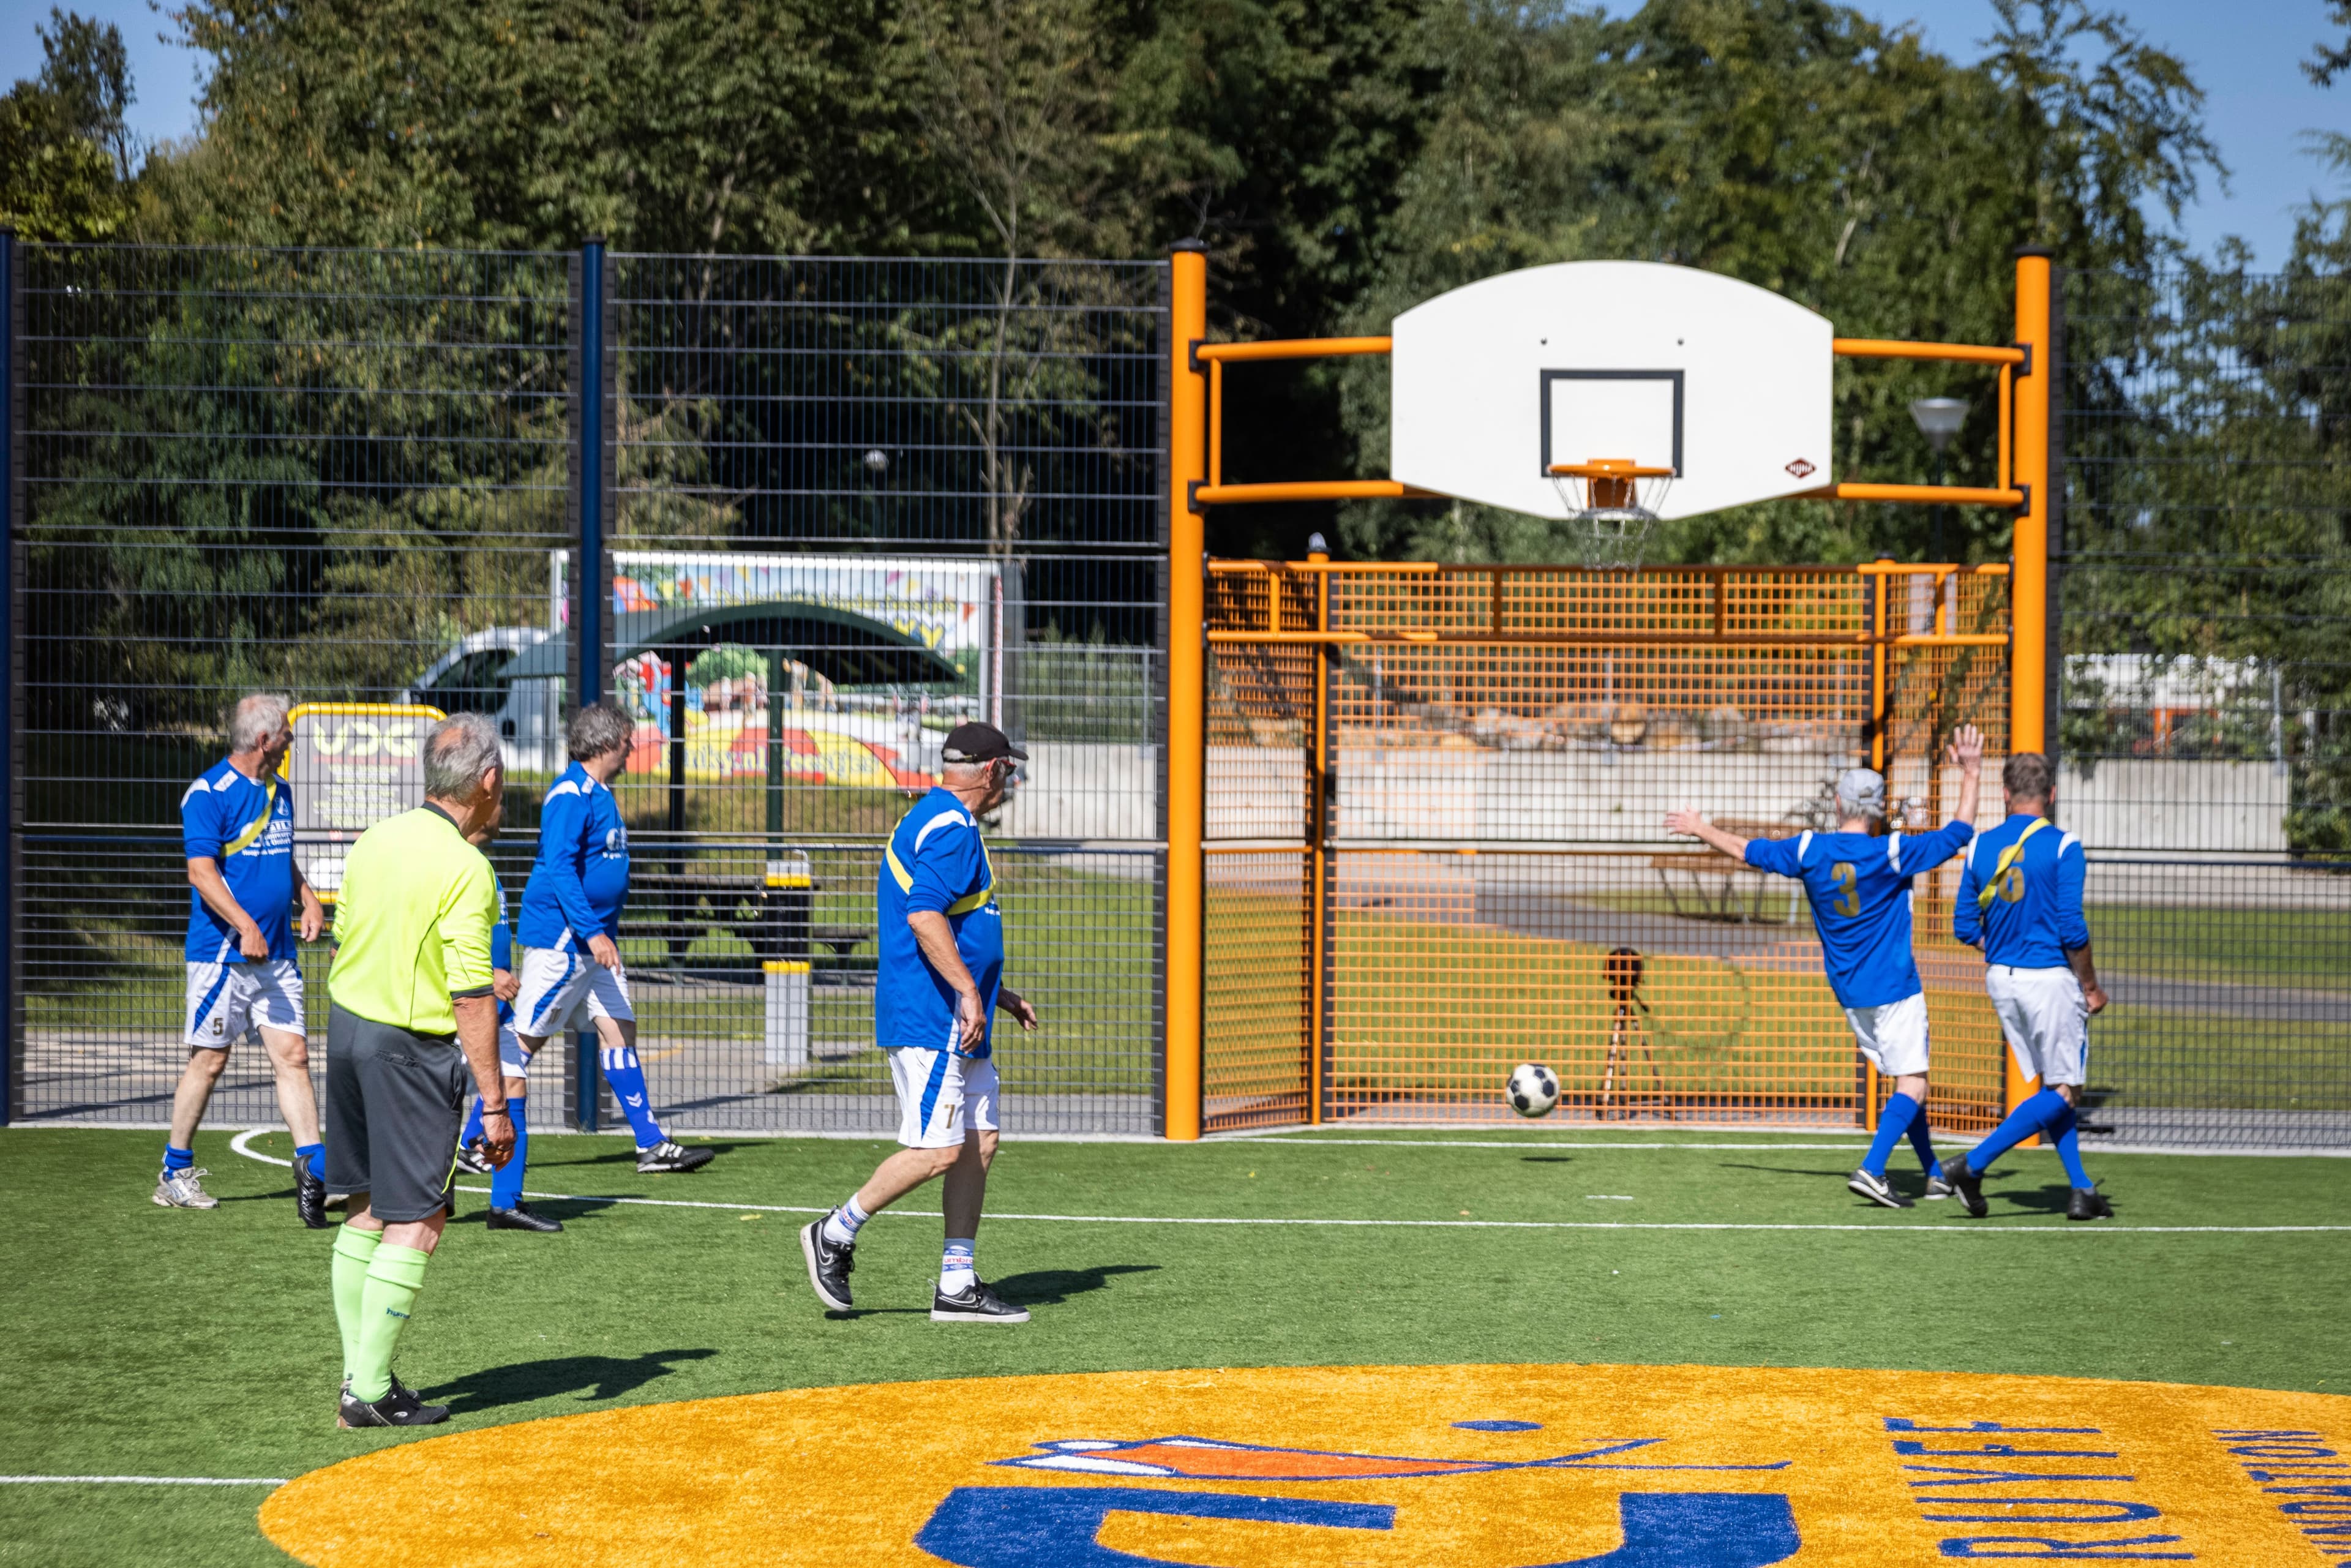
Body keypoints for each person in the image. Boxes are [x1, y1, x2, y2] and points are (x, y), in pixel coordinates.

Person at [1666, 725, 1983, 1209]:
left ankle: (1935, 1174)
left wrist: (1699, 826)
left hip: (1850, 991)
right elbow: (1961, 830)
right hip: (1896, 987)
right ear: (1878, 811)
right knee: (1914, 1081)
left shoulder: (1810, 849)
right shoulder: (1894, 851)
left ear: (1837, 804)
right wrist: (1973, 772)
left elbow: (1746, 850)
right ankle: (1873, 1169)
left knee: (1905, 1078)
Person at [800, 722, 1041, 1323]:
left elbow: (955, 923)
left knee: (978, 1141)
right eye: (1009, 769)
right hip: (932, 1018)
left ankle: (956, 1283)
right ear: (991, 770)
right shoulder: (952, 828)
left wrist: (994, 992)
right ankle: (834, 1230)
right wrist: (966, 990)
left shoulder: (938, 817)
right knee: (937, 1149)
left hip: (957, 1014)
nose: (1011, 779)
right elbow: (924, 916)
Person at [322, 712, 514, 1428]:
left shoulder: (377, 838)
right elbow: (470, 992)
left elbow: (347, 935)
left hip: (346, 1029)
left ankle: (361, 1376)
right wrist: (494, 1104)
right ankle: (366, 1391)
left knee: (365, 1207)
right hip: (407, 1046)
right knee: (421, 1215)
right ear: (487, 780)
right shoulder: (467, 866)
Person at [513, 702, 711, 1175]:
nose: (632, 748)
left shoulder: (600, 791)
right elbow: (559, 868)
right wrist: (592, 932)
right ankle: (477, 1140)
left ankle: (650, 1144)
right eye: (627, 741)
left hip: (594, 945)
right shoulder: (569, 793)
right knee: (523, 1041)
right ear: (605, 744)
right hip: (564, 943)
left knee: (620, 1028)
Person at [160, 693, 329, 1226]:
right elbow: (201, 873)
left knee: (294, 1057)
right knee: (209, 1060)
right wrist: (245, 924)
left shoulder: (281, 791)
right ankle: (174, 1172)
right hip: (222, 958)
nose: (291, 741)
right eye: (286, 734)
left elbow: (280, 854)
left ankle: (315, 1173)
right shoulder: (208, 794)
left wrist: (308, 896)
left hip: (277, 957)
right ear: (264, 740)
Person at [1945, 751, 2113, 1221]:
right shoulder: (2064, 845)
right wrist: (2092, 986)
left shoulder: (1979, 846)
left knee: (2055, 1085)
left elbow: (1964, 925)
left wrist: (2004, 948)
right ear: (2052, 795)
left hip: (2002, 979)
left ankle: (2081, 1189)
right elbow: (2072, 929)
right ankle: (1972, 1164)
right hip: (2049, 981)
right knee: (2065, 1091)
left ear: (2004, 793)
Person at [450, 825, 560, 1231]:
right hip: (460, 1000)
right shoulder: (451, 862)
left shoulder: (482, 864)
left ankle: (505, 1204)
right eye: (496, 797)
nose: (502, 810)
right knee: (429, 1101)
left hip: (493, 1006)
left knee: (513, 1084)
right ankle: (326, 1171)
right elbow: (442, 937)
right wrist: (486, 976)